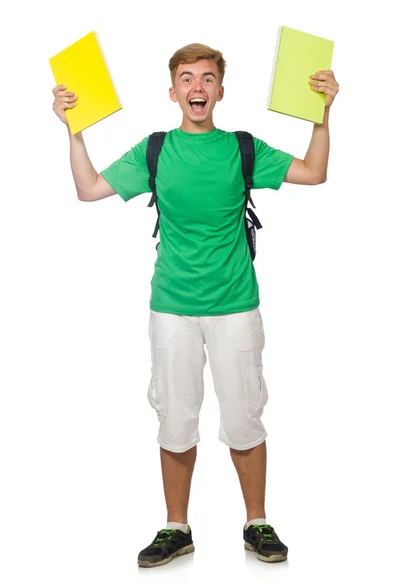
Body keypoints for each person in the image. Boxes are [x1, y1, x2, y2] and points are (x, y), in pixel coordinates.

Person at [52, 42, 339, 568]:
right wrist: (74, 128)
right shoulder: (155, 150)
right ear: (173, 91)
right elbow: (89, 188)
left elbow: (315, 172)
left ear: (220, 90)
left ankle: (257, 524)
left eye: (207, 78)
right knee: (176, 419)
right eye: (187, 79)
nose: (197, 88)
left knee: (244, 418)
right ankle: (176, 528)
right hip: (172, 309)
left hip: (235, 306)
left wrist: (323, 115)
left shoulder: (241, 148)